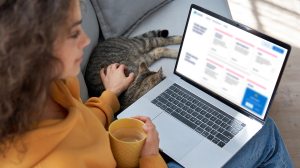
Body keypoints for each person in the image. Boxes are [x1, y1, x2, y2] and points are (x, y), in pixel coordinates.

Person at [0, 0, 293, 168]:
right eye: (74, 33)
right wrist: (151, 156)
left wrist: (109, 97)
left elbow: (79, 126)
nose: (86, 41)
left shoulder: (50, 86)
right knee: (264, 134)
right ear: (34, 50)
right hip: (143, 161)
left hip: (127, 151)